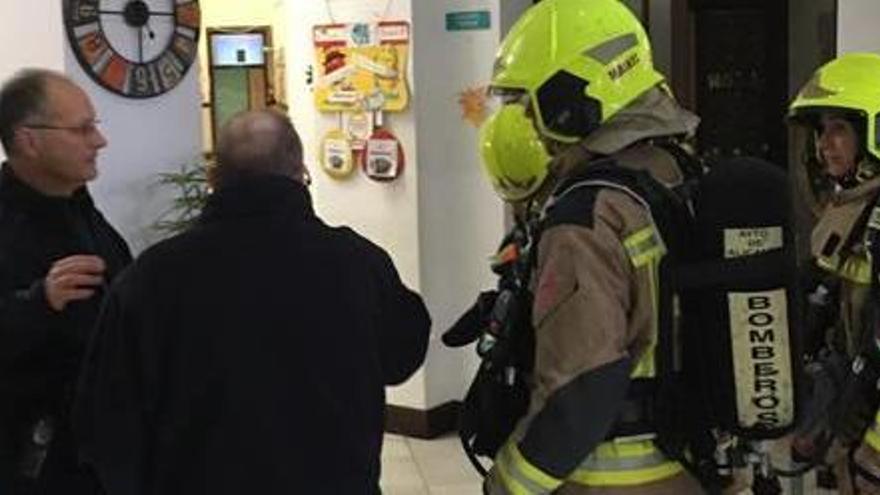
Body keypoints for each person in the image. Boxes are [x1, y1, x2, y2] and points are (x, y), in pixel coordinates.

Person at [73, 109, 431, 495]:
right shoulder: (359, 263)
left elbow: (108, 420)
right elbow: (402, 357)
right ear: (301, 174)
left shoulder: (151, 277)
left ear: (213, 179)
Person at [475, 0, 704, 493]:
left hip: (610, 478)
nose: (526, 123)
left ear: (568, 100)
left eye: (527, 104)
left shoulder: (585, 216)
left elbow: (581, 387)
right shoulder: (675, 174)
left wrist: (508, 483)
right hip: (689, 464)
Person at [0, 68, 132, 494]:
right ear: (29, 140)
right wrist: (38, 304)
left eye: (94, 126)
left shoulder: (84, 212)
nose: (99, 141)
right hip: (31, 462)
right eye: (81, 129)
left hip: (100, 452)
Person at [787, 52, 880, 494]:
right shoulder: (848, 211)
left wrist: (874, 450)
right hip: (852, 429)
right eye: (821, 131)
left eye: (839, 129)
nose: (825, 144)